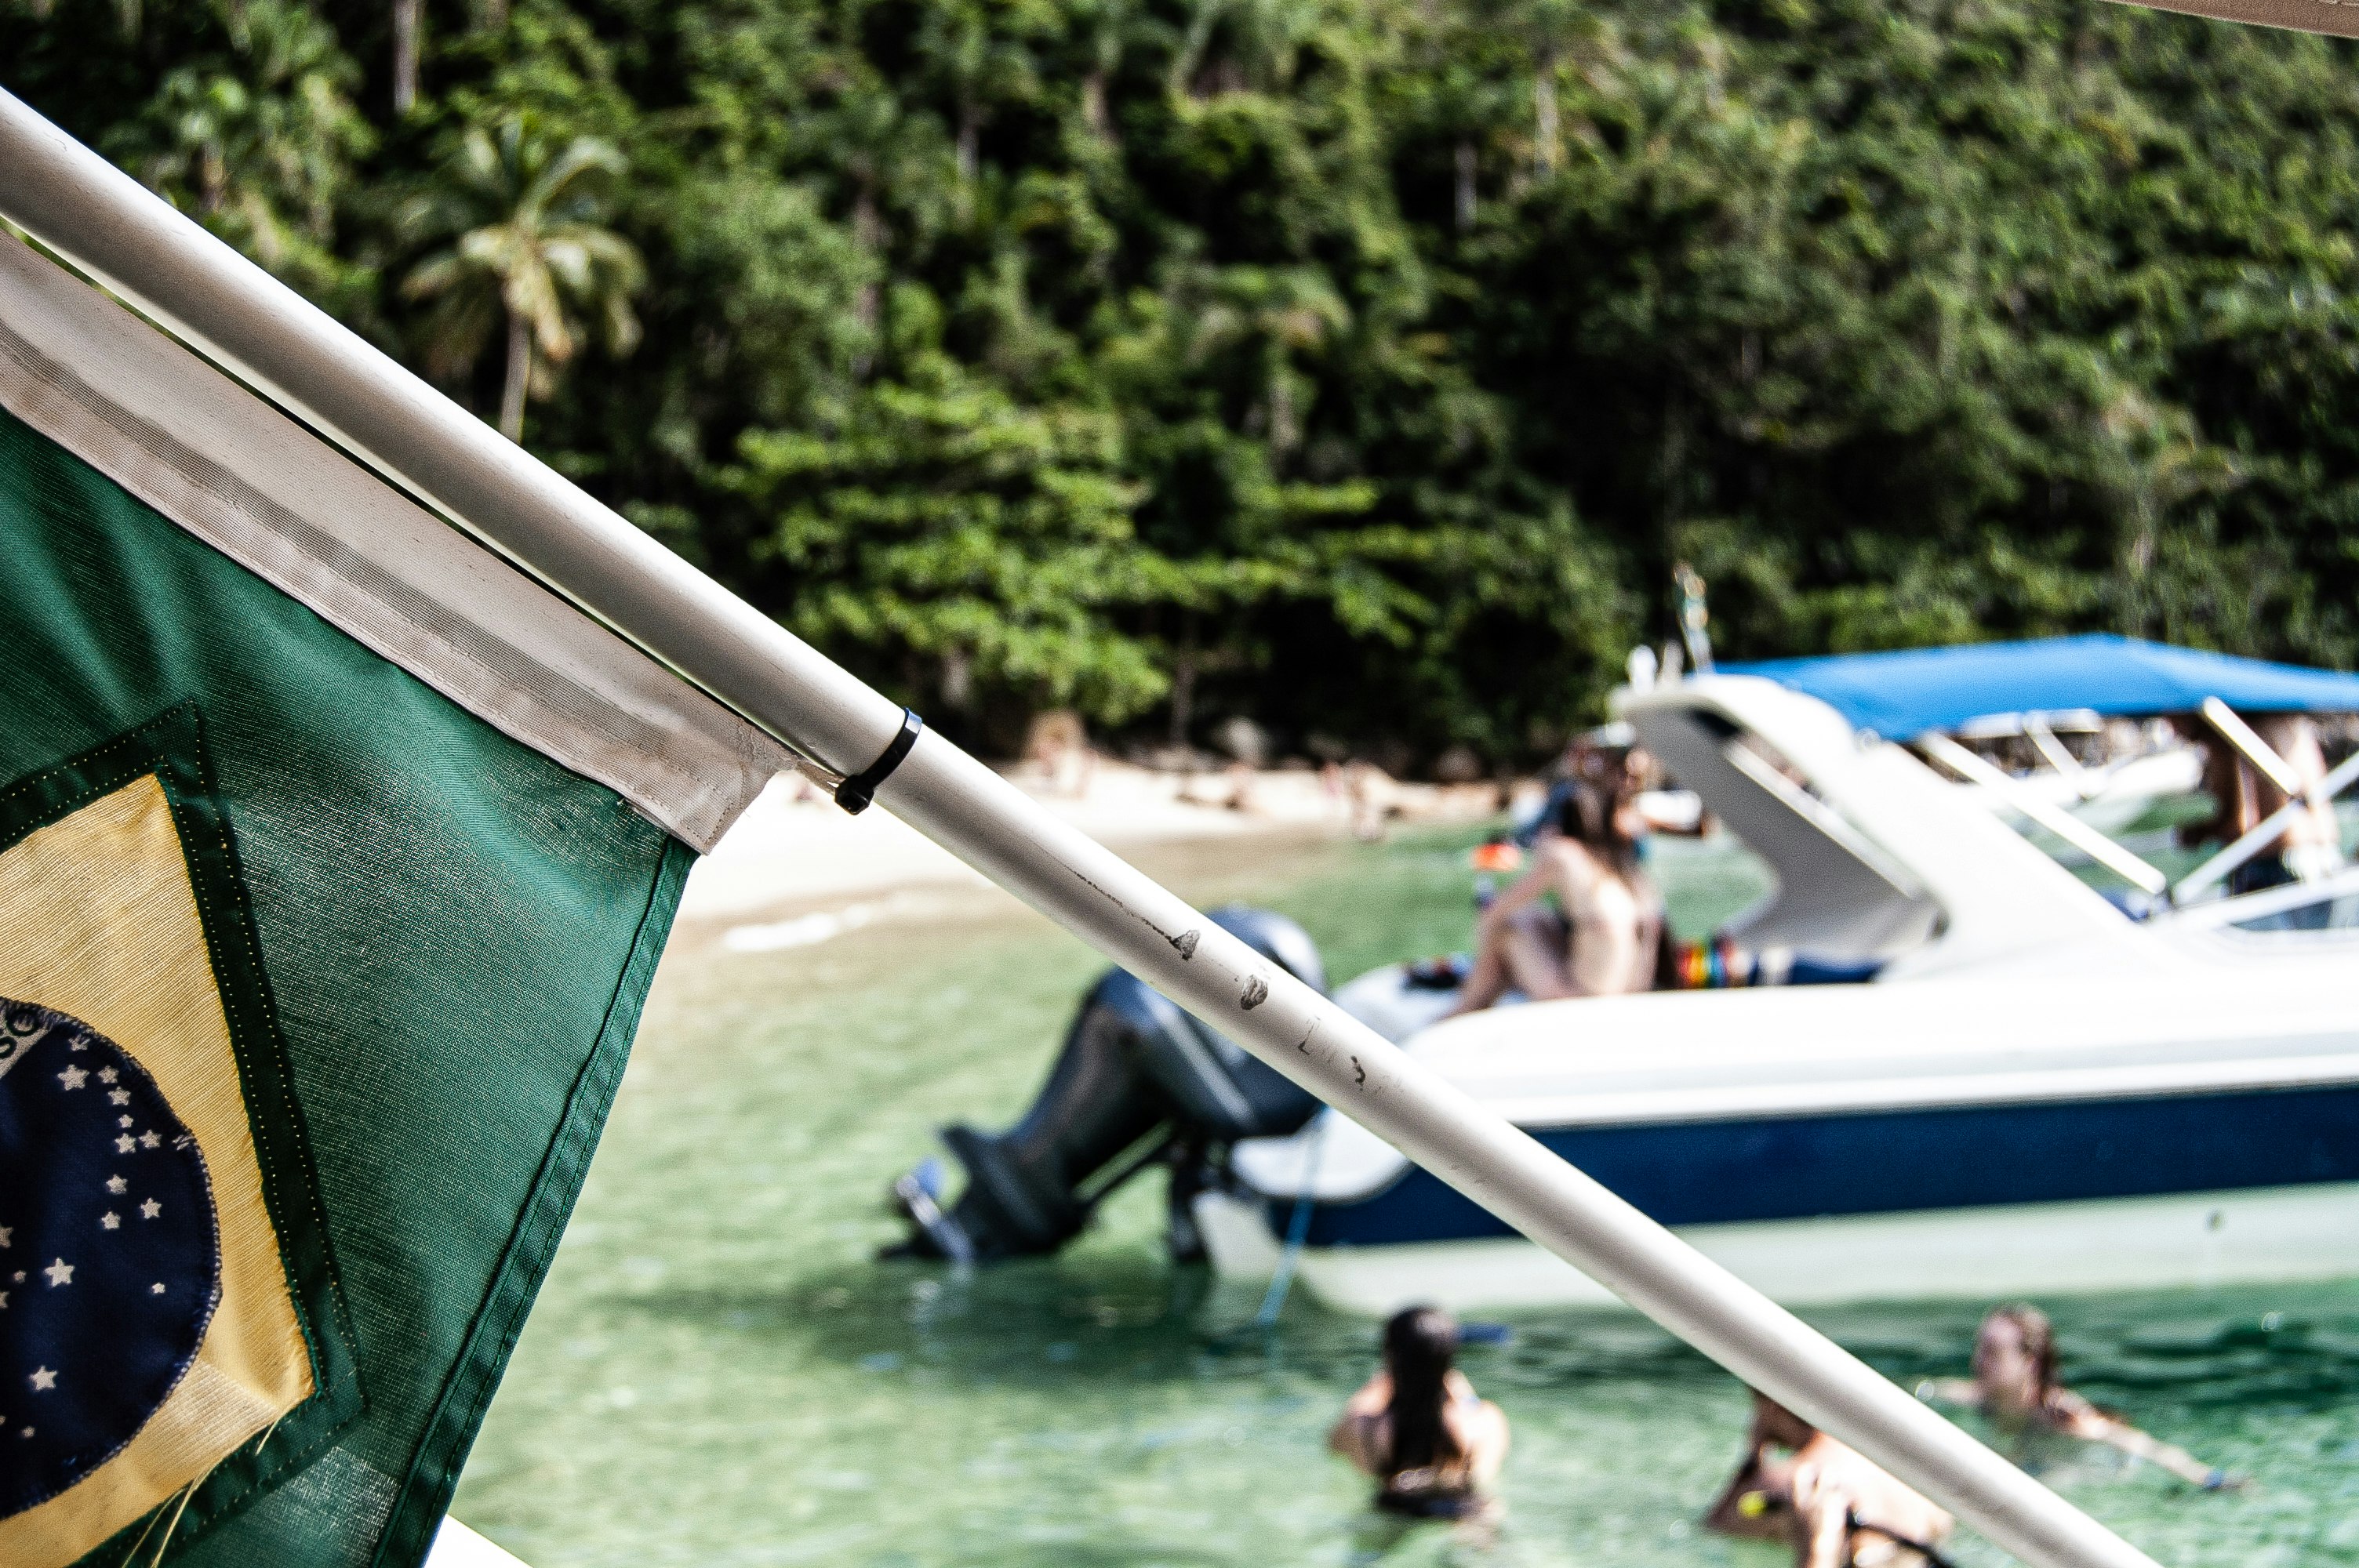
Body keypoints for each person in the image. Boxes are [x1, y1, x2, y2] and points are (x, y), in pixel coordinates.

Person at [1445, 749, 1665, 1014]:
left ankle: (1462, 1010)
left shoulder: (1562, 854)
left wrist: (1484, 938)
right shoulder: (1619, 866)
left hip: (1583, 999)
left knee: (1506, 930)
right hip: (1630, 992)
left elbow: (1497, 913)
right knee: (1534, 917)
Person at [1918, 1305, 2234, 1489]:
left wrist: (2206, 1478)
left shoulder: (2062, 1415)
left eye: (1993, 1353)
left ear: (2030, 1362)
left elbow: (2141, 1446)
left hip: (2081, 1468)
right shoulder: (1973, 1398)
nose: (1977, 1362)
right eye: (1979, 1348)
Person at [1704, 1391, 1956, 1568]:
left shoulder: (1794, 1480)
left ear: (1771, 1403)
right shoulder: (1907, 1470)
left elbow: (1714, 1527)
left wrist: (1752, 1459)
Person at [1329, 1305, 1510, 1519]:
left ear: (1390, 1357)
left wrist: (1375, 1387)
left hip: (1392, 1510)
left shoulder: (1364, 1428)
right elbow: (1485, 1472)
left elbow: (1334, 1446)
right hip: (1464, 1509)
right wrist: (1466, 1398)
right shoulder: (1485, 1421)